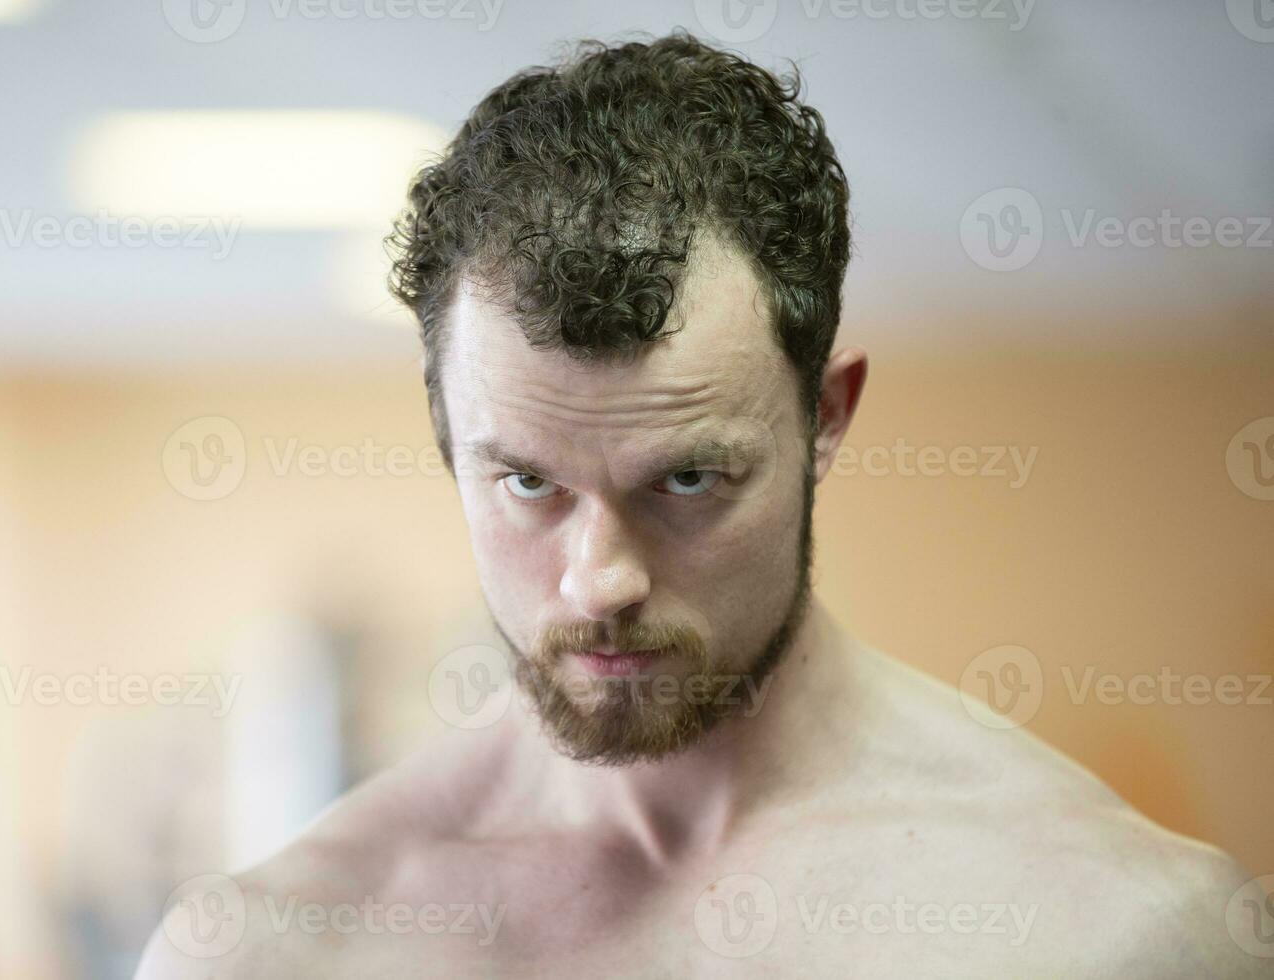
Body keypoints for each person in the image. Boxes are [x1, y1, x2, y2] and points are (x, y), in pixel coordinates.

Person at [136, 31, 1265, 978]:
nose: (600, 578)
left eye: (685, 478)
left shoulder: (1116, 933)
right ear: (447, 438)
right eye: (530, 481)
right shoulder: (278, 947)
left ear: (825, 416)